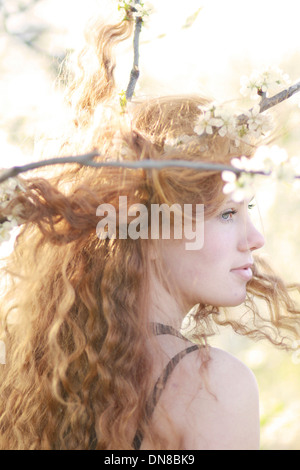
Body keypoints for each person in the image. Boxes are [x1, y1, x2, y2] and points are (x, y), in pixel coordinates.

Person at [0, 14, 299, 451]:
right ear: (152, 224)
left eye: (247, 209)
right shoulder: (214, 389)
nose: (256, 239)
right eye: (227, 214)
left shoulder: (36, 379)